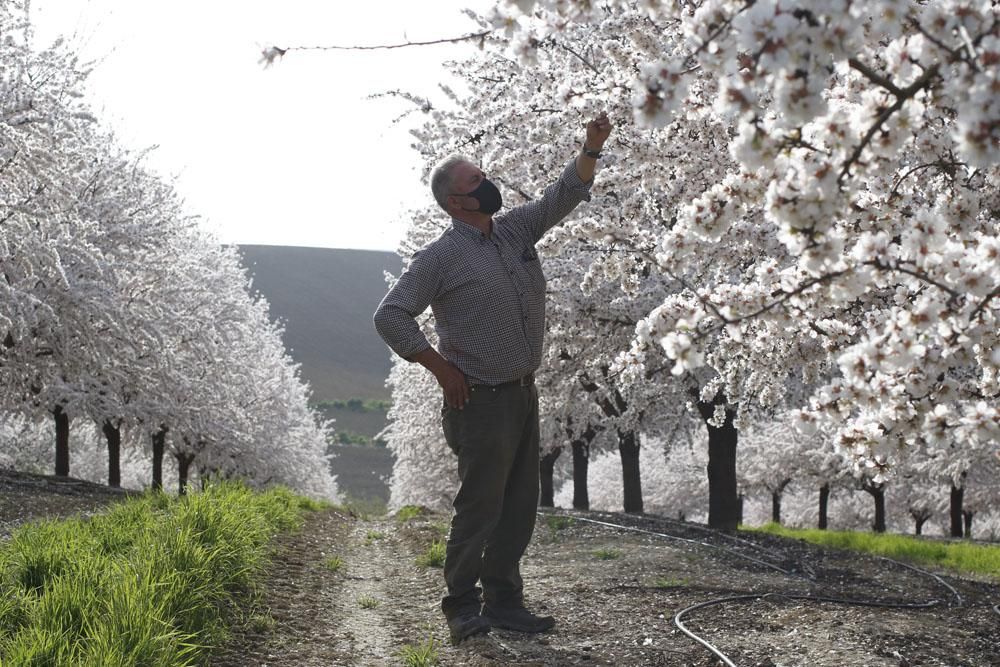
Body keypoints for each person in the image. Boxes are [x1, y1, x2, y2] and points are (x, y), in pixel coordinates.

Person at [373, 113, 613, 645]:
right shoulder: (440, 257)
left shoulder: (515, 230)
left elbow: (561, 196)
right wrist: (440, 368)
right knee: (480, 506)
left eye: (483, 176)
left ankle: (505, 602)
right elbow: (390, 315)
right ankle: (461, 607)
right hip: (478, 400)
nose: (488, 185)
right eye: (475, 182)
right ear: (457, 203)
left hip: (524, 393)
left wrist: (591, 148)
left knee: (519, 505)